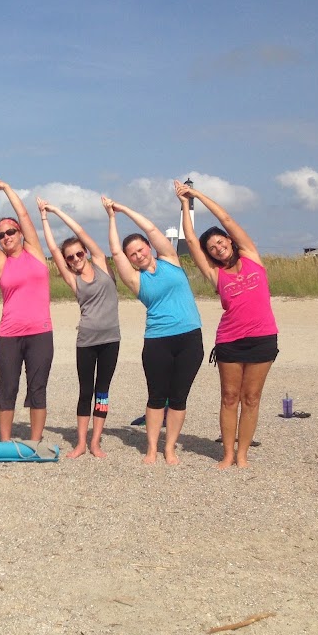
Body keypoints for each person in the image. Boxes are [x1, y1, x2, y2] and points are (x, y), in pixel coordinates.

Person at [175, 180, 278, 468]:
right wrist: (185, 204)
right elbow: (190, 241)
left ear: (230, 241)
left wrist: (197, 194)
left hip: (263, 338)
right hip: (230, 340)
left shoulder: (251, 256)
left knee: (252, 397)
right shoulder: (215, 274)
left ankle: (242, 454)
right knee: (230, 397)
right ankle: (228, 454)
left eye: (221, 242)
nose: (218, 248)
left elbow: (227, 219)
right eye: (212, 248)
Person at [104, 195, 203, 465]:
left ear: (148, 247)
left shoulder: (170, 258)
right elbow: (115, 252)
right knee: (157, 396)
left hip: (189, 337)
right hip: (158, 340)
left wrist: (124, 208)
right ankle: (151, 448)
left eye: (141, 249)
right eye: (133, 255)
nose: (138, 255)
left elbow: (150, 228)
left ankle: (169, 448)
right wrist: (112, 217)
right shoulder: (135, 279)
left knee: (179, 397)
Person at [37, 197, 120, 459]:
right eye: (70, 257)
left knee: (102, 391)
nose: (75, 259)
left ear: (86, 252)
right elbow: (52, 248)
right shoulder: (73, 280)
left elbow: (80, 231)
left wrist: (56, 210)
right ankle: (81, 443)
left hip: (110, 339)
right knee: (85, 391)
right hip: (86, 341)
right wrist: (44, 218)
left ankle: (96, 442)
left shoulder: (102, 264)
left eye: (79, 253)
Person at [0, 173, 53, 442]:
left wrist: (7, 189)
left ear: (21, 233)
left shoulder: (34, 251)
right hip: (9, 334)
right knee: (7, 387)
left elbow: (23, 215)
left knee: (37, 387)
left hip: (40, 332)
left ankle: (35, 441)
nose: (6, 237)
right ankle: (4, 440)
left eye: (11, 232)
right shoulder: (1, 263)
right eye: (2, 235)